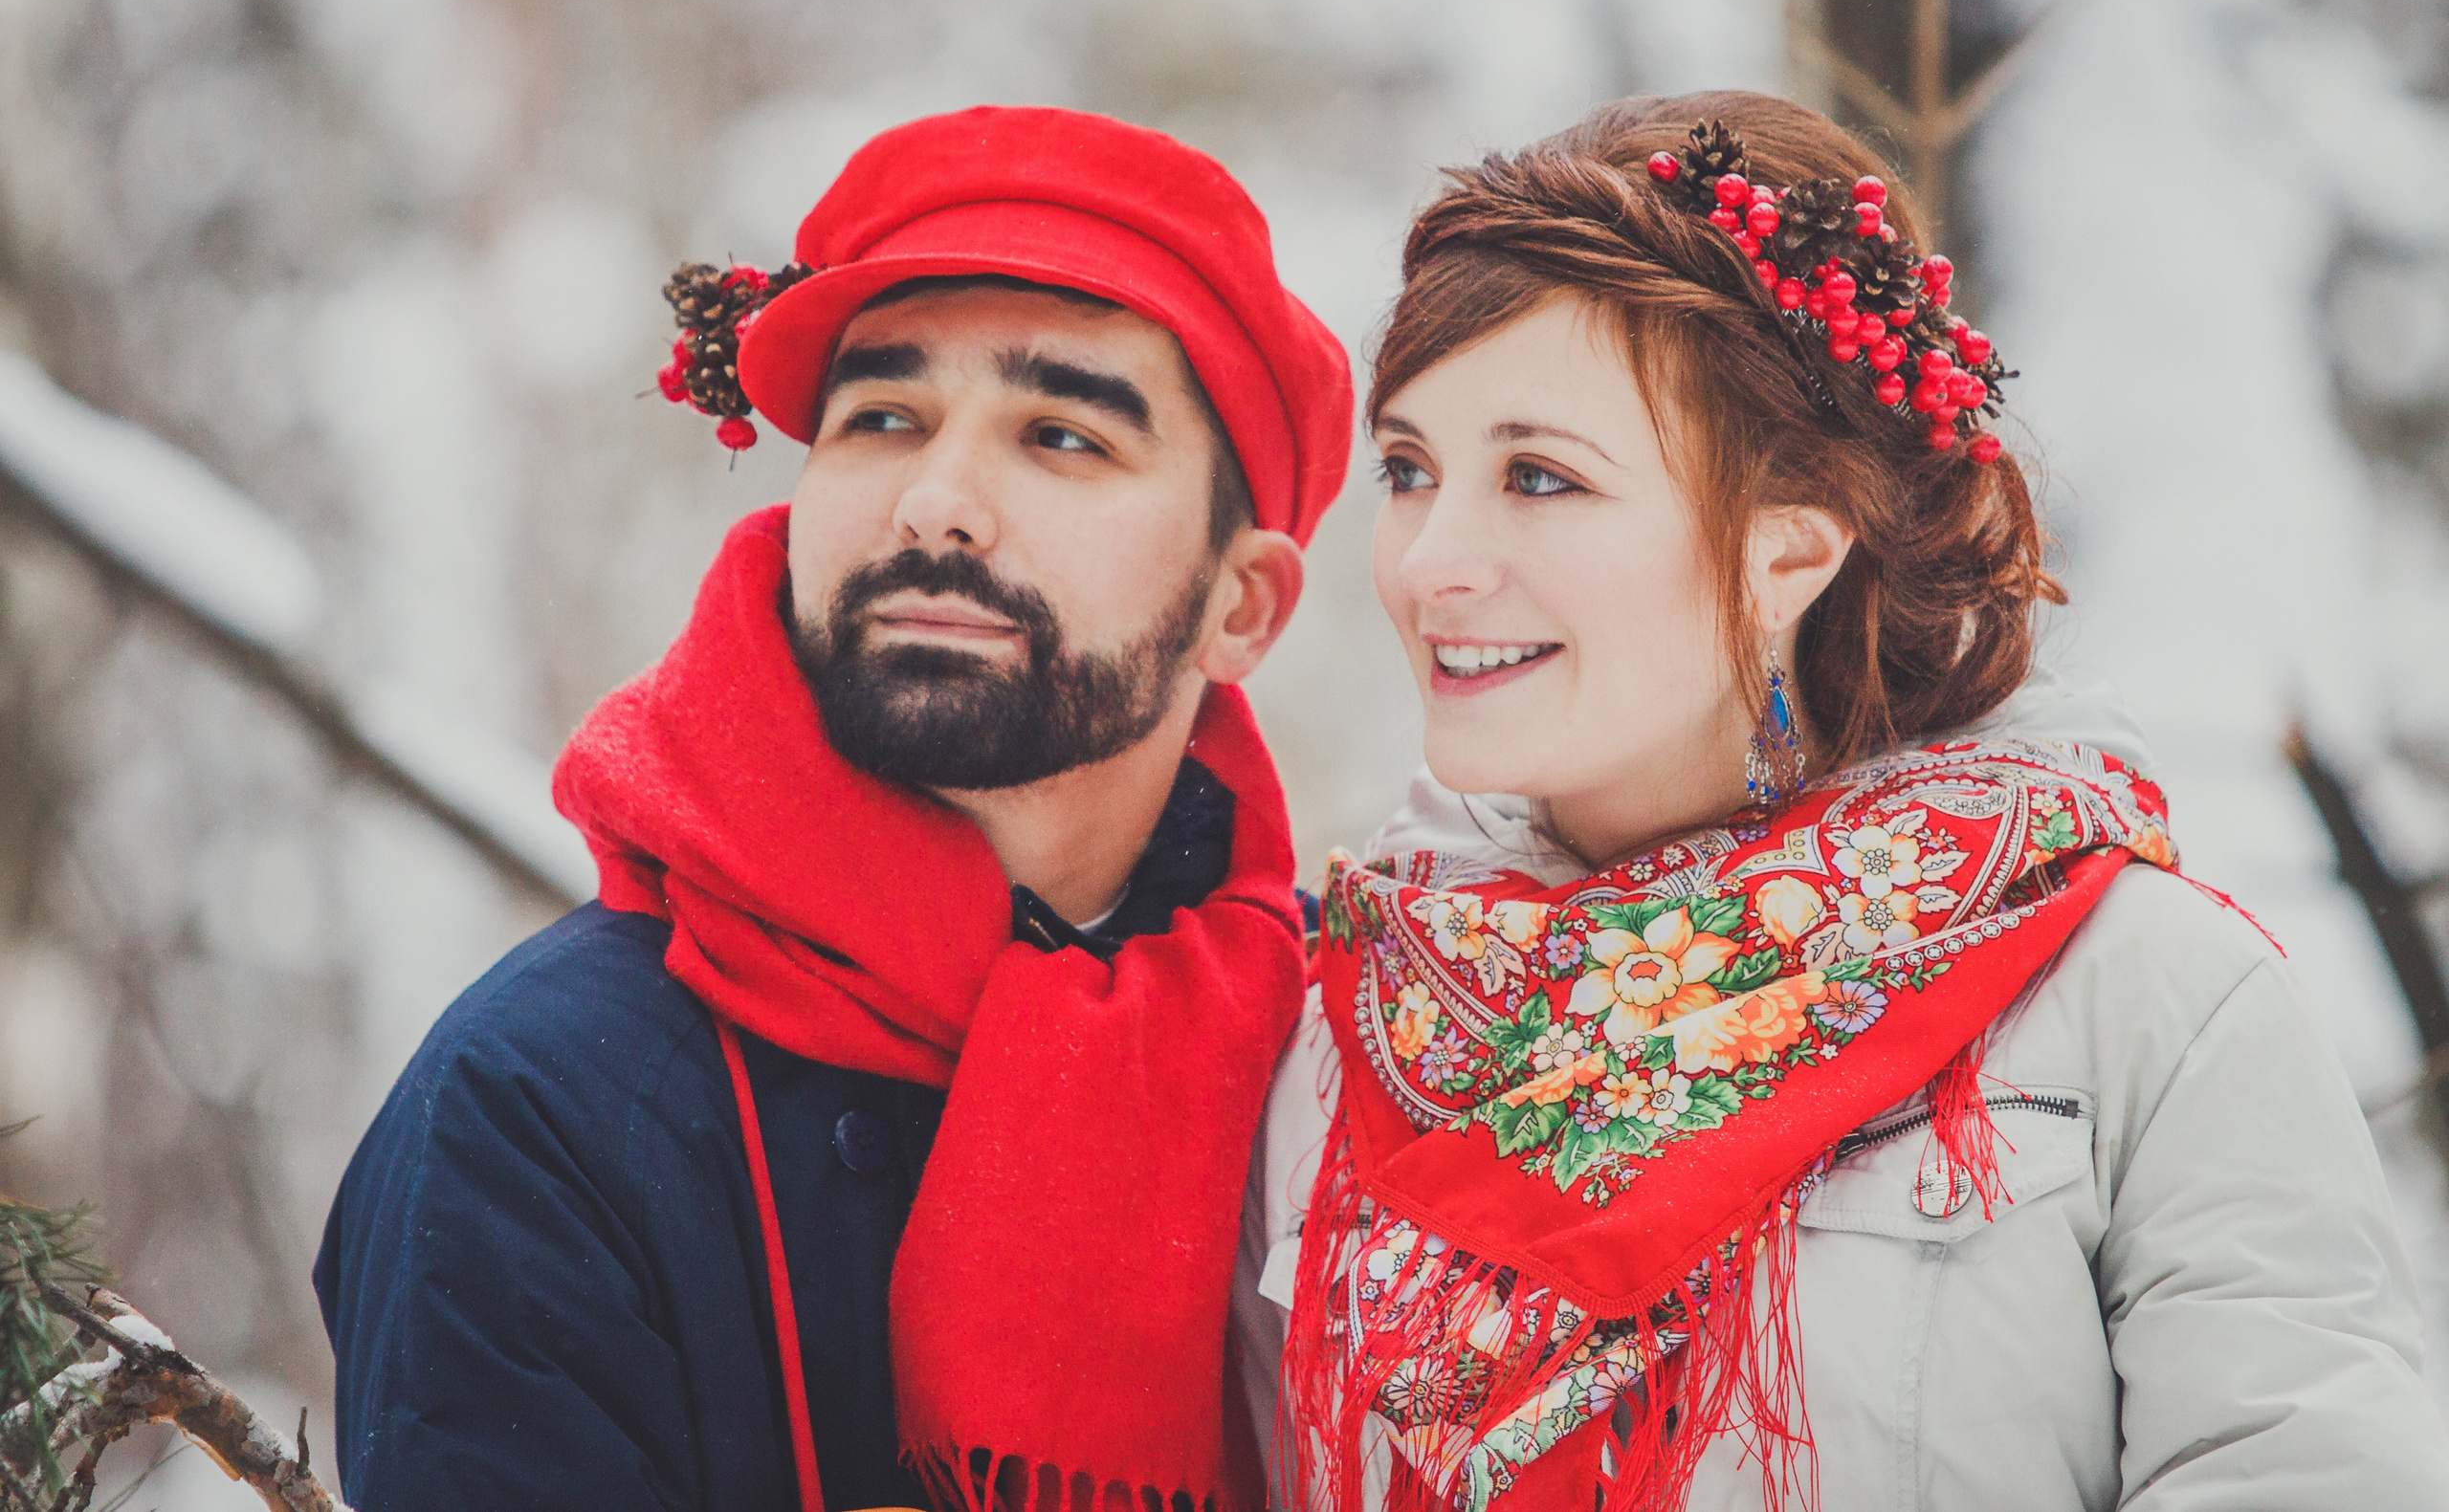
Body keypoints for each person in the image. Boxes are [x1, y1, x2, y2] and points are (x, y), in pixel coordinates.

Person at [1247, 92, 2449, 1510]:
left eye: (1540, 478)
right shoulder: (1356, 1024)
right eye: (1408, 470)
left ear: (1787, 550)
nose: (1429, 559)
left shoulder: (2143, 999)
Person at [314, 104, 1352, 1512]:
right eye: (882, 420)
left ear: (1243, 603)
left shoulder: (1345, 1055)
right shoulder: (544, 1104)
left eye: (1060, 435)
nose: (937, 500)